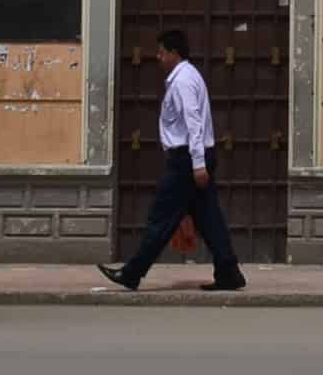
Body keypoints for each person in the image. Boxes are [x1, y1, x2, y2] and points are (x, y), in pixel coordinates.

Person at [98, 25, 246, 292]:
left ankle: (132, 273)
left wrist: (198, 164)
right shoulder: (189, 76)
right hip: (193, 158)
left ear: (174, 53)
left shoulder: (182, 82)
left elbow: (193, 123)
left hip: (186, 161)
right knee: (209, 219)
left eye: (162, 52)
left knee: (161, 218)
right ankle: (229, 272)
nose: (158, 57)